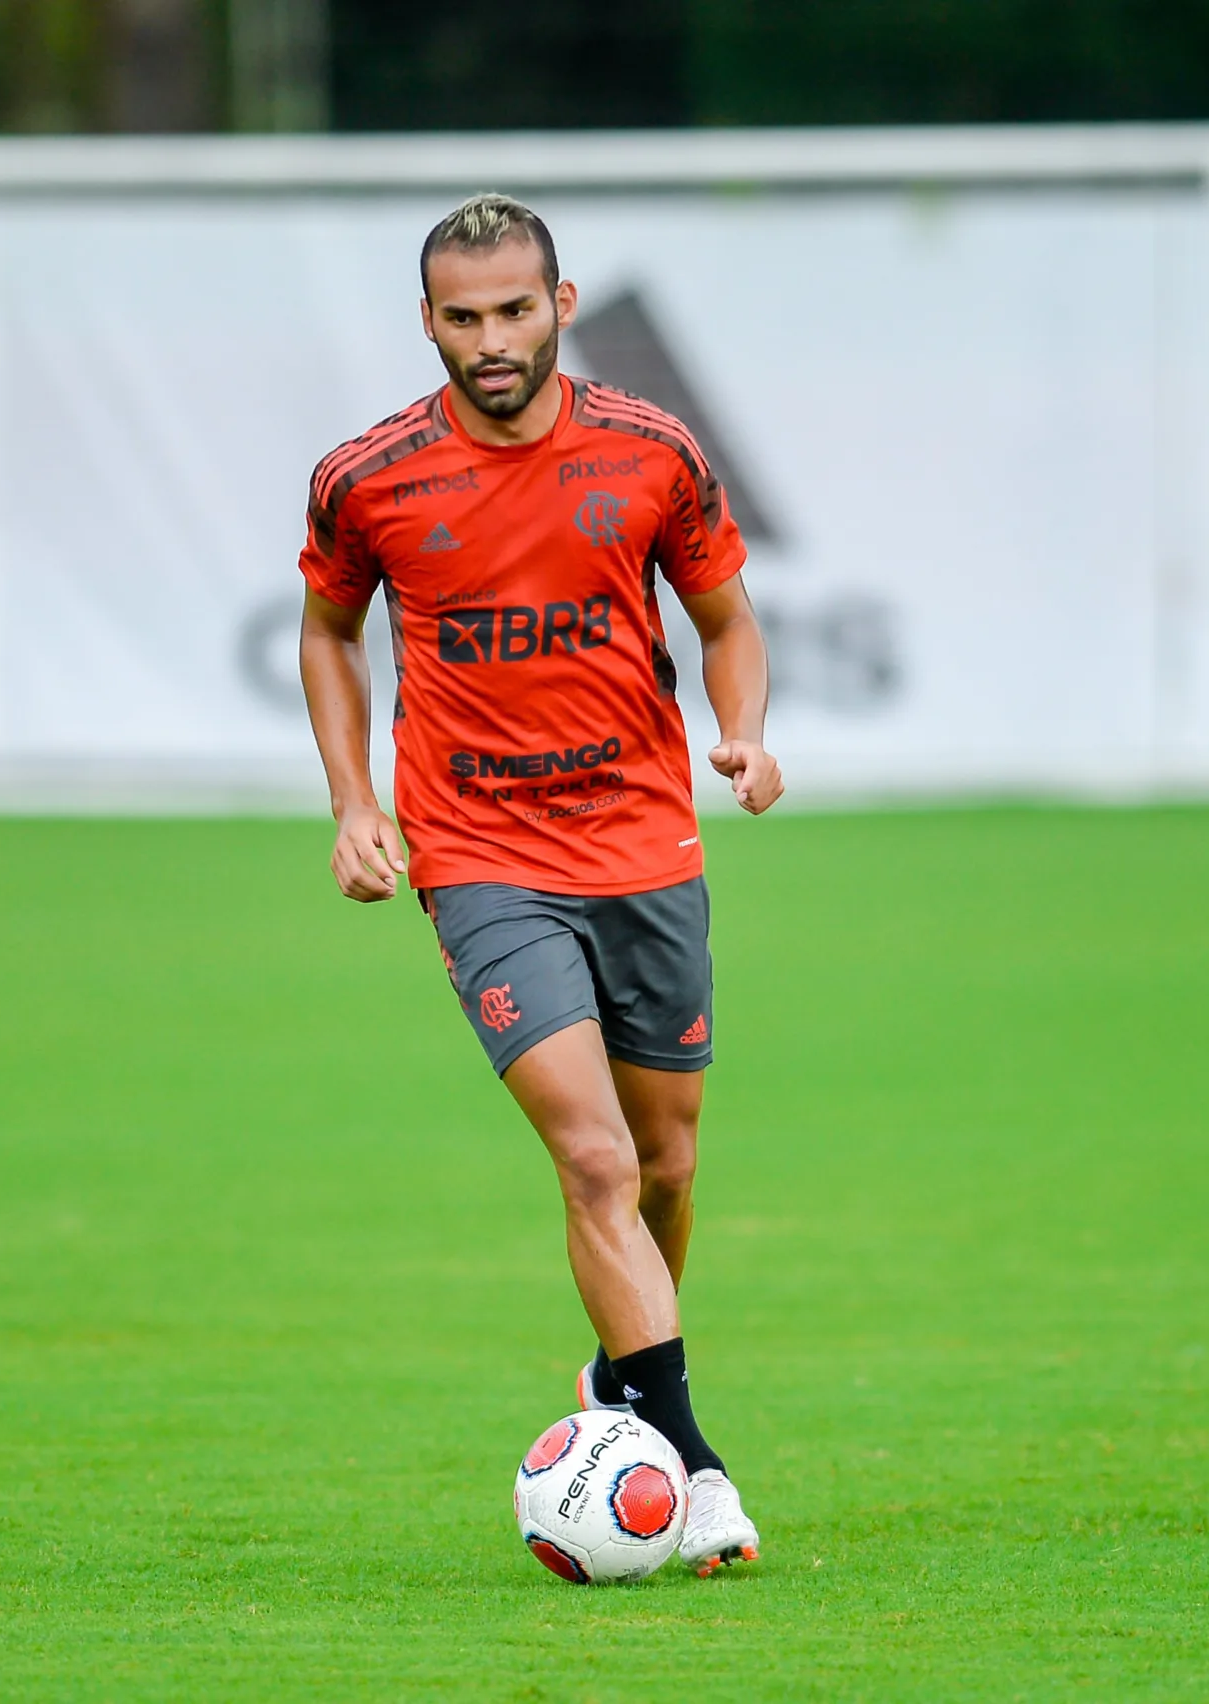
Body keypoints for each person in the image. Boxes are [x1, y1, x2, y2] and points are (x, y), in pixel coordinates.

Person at [295, 193, 782, 1577]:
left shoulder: (651, 451)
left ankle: (616, 1388)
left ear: (561, 306)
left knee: (668, 1164)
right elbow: (329, 636)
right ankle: (690, 1465)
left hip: (644, 841)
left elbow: (726, 615)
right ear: (429, 322)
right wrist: (353, 805)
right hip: (482, 855)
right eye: (463, 317)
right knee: (594, 1157)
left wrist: (742, 730)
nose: (491, 339)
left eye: (515, 311)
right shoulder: (369, 477)